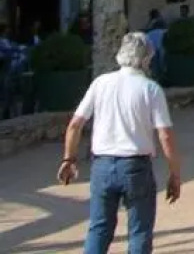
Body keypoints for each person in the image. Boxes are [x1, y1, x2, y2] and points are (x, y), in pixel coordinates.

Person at [58, 32, 182, 253]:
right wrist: (174, 173)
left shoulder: (101, 83)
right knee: (140, 230)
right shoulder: (150, 89)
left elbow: (75, 124)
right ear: (146, 58)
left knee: (99, 228)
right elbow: (165, 135)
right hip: (136, 166)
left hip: (102, 165)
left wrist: (69, 158)